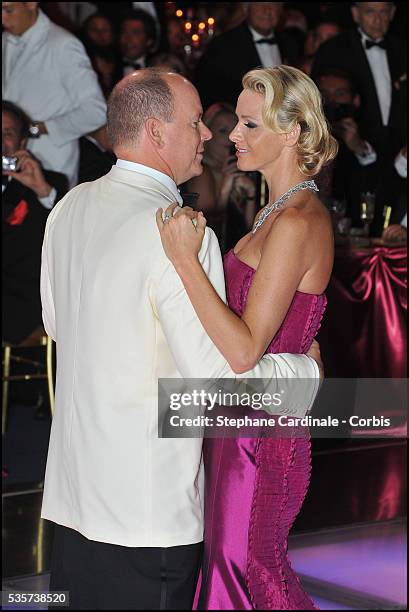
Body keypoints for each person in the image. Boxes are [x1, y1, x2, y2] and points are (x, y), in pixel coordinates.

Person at [40, 68, 323, 610]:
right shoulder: (181, 232)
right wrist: (303, 374)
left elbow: (59, 326)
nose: (209, 135)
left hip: (74, 500)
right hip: (148, 512)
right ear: (156, 132)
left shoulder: (69, 207)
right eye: (196, 123)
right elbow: (214, 382)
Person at [157, 65, 337, 610]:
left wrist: (186, 261)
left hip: (261, 436)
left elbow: (242, 349)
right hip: (241, 421)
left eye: (248, 125)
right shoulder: (274, 213)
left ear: (293, 133)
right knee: (237, 571)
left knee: (247, 574)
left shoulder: (296, 223)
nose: (231, 136)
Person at [2, 2, 107, 189]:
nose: (3, 18)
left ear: (31, 4)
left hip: (49, 166)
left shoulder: (63, 44)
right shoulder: (6, 40)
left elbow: (96, 110)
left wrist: (37, 128)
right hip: (9, 166)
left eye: (8, 10)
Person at [2, 100, 67, 345]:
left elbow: (71, 238)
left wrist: (43, 191)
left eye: (7, 133)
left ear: (21, 143)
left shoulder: (49, 183)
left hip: (22, 310)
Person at [312, 2, 406, 162]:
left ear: (392, 14)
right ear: (356, 14)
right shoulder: (334, 49)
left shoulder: (402, 50)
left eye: (383, 12)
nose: (377, 20)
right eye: (370, 12)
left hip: (399, 153)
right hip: (349, 154)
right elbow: (317, 100)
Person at [195, 2, 299, 110]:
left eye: (273, 4)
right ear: (246, 8)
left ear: (281, 10)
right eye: (260, 3)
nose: (267, 10)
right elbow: (207, 91)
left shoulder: (290, 45)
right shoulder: (224, 45)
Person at [185, 102, 258, 251]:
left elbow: (252, 234)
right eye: (223, 131)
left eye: (234, 130)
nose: (231, 138)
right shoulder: (201, 174)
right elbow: (207, 231)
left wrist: (251, 196)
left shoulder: (236, 172)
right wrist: (225, 190)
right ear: (208, 136)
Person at [118, 8, 157, 77]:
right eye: (124, 32)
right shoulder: (108, 67)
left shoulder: (158, 67)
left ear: (149, 40)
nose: (128, 39)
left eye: (136, 33)